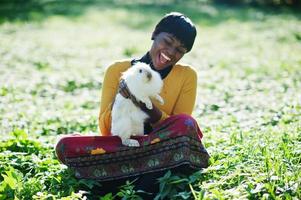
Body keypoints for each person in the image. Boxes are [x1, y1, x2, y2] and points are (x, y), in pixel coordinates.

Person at [56, 12, 209, 199]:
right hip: (123, 147)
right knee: (65, 145)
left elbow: (179, 130)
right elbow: (106, 129)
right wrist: (122, 97)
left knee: (187, 123)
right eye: (167, 42)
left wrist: (145, 105)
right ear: (154, 34)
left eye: (179, 50)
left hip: (161, 147)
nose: (171, 52)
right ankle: (151, 177)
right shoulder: (117, 70)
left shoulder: (187, 75)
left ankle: (118, 180)